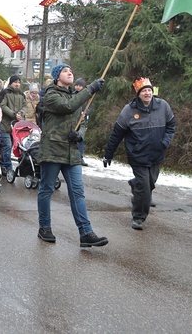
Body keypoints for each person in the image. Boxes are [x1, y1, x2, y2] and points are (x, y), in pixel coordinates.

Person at [37, 63, 108, 247]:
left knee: (78, 192)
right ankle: (44, 227)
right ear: (57, 76)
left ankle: (86, 233)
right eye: (65, 71)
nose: (69, 72)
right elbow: (68, 106)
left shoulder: (76, 97)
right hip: (53, 150)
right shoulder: (50, 95)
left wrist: (80, 135)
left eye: (70, 70)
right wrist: (90, 89)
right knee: (46, 189)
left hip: (72, 151)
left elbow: (82, 121)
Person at [103, 77, 176, 231]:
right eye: (144, 91)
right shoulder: (129, 110)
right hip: (138, 154)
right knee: (144, 188)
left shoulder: (163, 106)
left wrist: (165, 142)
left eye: (149, 90)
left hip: (157, 153)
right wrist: (108, 154)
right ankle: (138, 217)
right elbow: (117, 134)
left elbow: (171, 125)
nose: (147, 93)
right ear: (138, 94)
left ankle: (135, 184)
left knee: (150, 183)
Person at [0, 75, 25, 176]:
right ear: (11, 83)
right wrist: (14, 114)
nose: (17, 84)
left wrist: (21, 113)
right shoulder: (4, 92)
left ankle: (2, 166)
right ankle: (9, 168)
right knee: (7, 145)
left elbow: (25, 105)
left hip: (16, 125)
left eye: (19, 82)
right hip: (4, 124)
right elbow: (2, 105)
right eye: (15, 82)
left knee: (9, 147)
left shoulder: (21, 94)